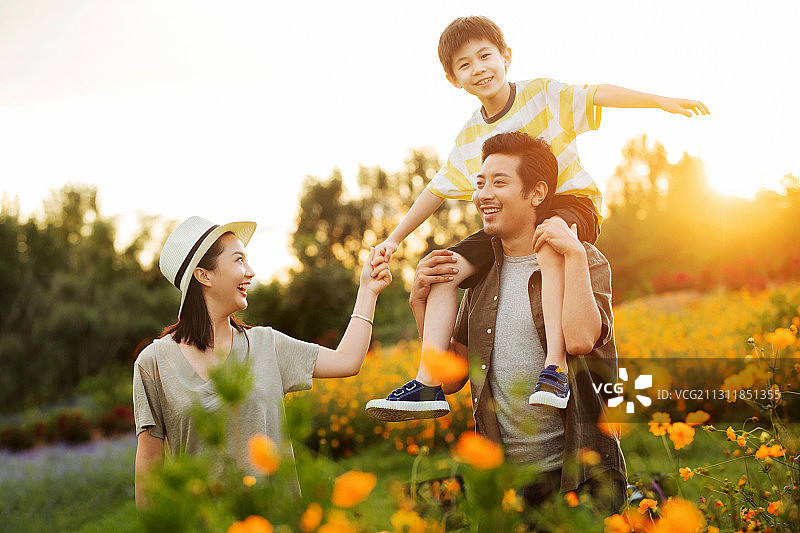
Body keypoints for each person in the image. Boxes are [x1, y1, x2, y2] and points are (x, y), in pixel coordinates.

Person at [366, 15, 709, 420]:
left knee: (549, 237)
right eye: (464, 64)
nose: (478, 69)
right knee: (441, 268)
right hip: (511, 220)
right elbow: (436, 189)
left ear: (505, 56)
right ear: (452, 79)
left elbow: (597, 93)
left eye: (484, 55)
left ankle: (554, 368)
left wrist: (660, 101)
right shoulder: (469, 138)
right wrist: (394, 240)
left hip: (569, 204)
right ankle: (427, 383)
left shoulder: (543, 94)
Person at [407, 132, 626, 513]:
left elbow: (578, 340)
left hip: (584, 476)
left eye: (499, 182)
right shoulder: (482, 277)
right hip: (511, 484)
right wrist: (418, 305)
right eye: (480, 182)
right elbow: (453, 376)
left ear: (537, 193)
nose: (483, 194)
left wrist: (573, 253)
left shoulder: (584, 259)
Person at [133, 216, 391, 507]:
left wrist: (367, 290)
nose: (251, 272)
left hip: (275, 521)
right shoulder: (153, 363)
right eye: (239, 260)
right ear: (203, 275)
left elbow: (347, 361)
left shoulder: (267, 345)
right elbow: (149, 463)